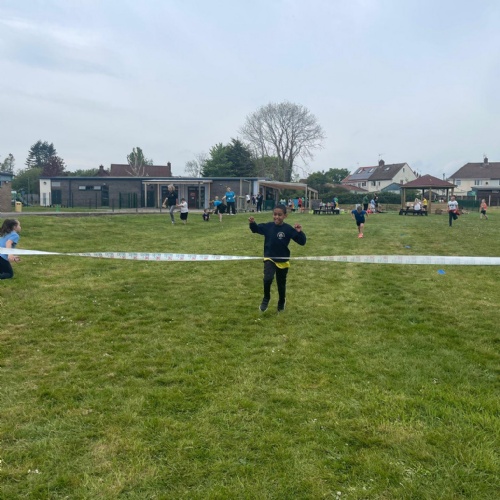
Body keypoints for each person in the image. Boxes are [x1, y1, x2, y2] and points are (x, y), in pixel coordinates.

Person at [249, 204, 306, 313]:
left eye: (280, 215)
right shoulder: (268, 226)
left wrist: (300, 232)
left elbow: (302, 242)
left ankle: (281, 301)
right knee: (267, 278)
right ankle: (266, 298)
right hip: (269, 258)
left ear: (285, 216)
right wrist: (252, 223)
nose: (277, 217)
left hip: (283, 260)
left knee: (281, 283)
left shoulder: (288, 229)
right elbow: (256, 229)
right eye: (275, 214)